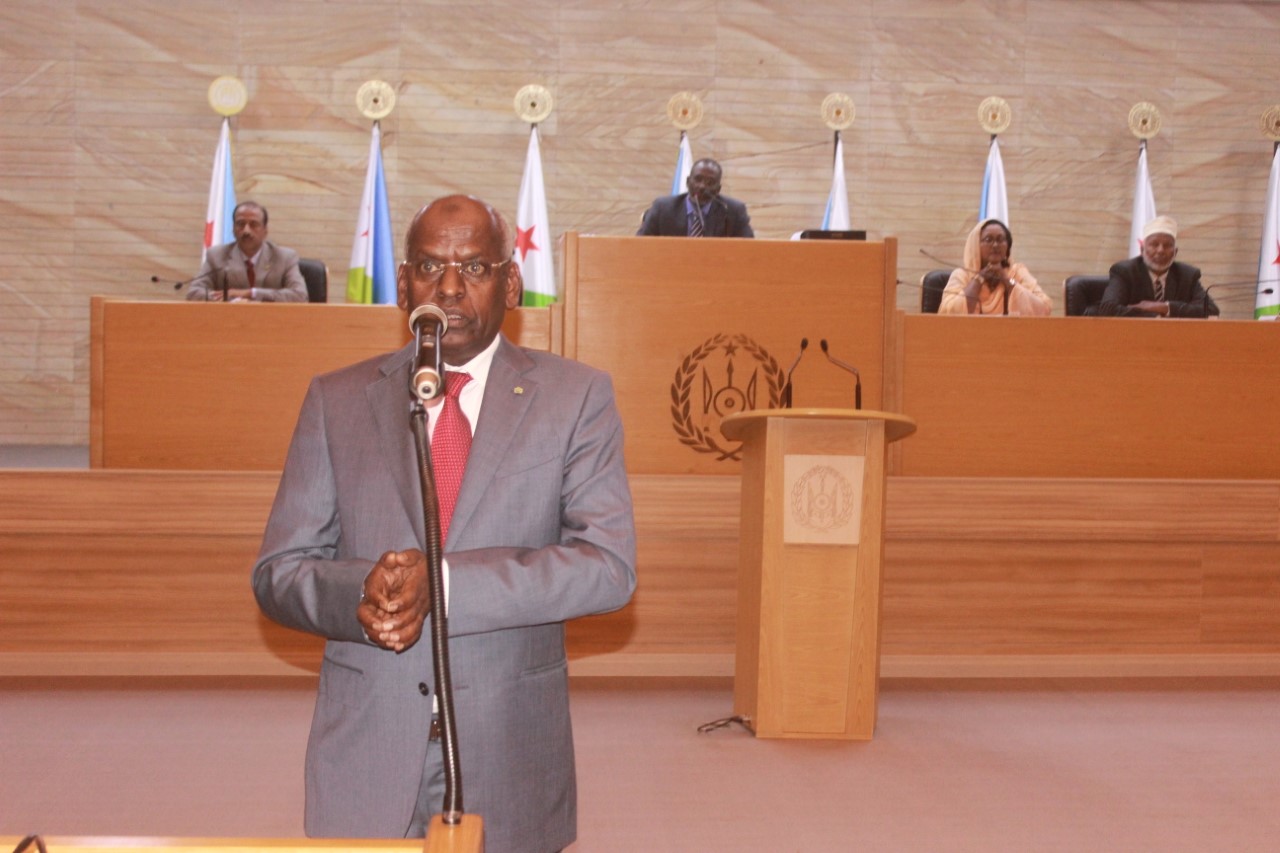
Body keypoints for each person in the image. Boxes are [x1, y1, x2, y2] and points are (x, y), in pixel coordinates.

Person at [251, 194, 636, 852]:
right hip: (368, 750)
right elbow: (278, 573)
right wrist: (359, 593)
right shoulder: (336, 400)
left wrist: (447, 584)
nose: (451, 287)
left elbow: (607, 567)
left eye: (476, 267)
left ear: (510, 284)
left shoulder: (576, 399)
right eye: (431, 266)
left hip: (511, 749)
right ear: (404, 284)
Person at [1099, 215, 1219, 317]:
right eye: (1154, 244)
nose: (1161, 250)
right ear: (1142, 249)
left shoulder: (1187, 275)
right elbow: (1108, 309)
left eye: (1167, 245)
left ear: (1175, 252)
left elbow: (1211, 310)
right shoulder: (1125, 271)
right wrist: (1154, 315)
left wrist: (1164, 307)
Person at [185, 201, 308, 302]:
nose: (246, 231)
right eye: (240, 224)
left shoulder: (285, 257)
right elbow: (193, 293)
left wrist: (251, 293)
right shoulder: (217, 256)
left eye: (253, 224)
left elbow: (300, 296)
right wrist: (232, 300)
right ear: (233, 229)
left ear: (265, 230)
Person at [939, 219, 1051, 316]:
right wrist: (979, 278)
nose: (995, 245)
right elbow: (949, 312)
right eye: (988, 240)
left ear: (1007, 246)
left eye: (1000, 240)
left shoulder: (1017, 272)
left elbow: (1043, 309)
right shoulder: (962, 275)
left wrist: (1007, 280)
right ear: (976, 245)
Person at [636, 158, 754, 238]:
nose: (702, 186)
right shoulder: (663, 208)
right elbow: (640, 244)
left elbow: (750, 249)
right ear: (688, 182)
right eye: (698, 179)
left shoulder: (732, 211)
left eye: (710, 182)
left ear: (718, 189)